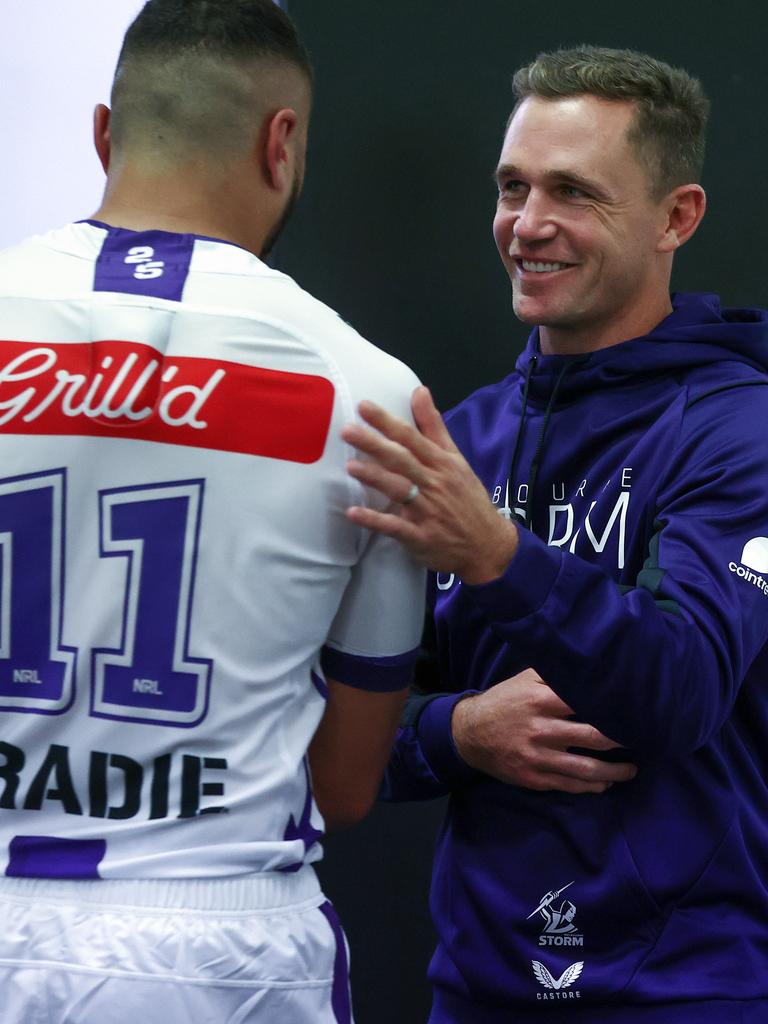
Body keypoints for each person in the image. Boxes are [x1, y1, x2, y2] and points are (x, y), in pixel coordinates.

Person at [0, 2, 427, 1021]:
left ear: (105, 133)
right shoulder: (372, 395)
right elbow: (347, 784)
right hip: (212, 942)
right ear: (281, 143)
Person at [342, 46, 768, 1023]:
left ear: (677, 217)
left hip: (688, 992)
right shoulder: (467, 437)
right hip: (477, 988)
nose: (527, 225)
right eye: (512, 187)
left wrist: (497, 557)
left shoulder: (740, 427)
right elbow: (342, 734)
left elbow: (681, 687)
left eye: (573, 192)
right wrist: (459, 732)